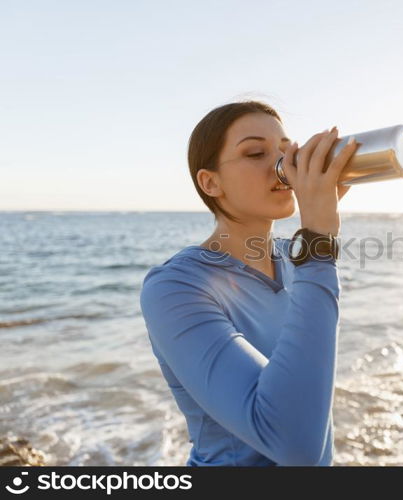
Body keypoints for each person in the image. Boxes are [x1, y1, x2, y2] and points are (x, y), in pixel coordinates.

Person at [139, 100, 358, 466]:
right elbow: (294, 445)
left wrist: (314, 248)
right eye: (255, 152)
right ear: (211, 182)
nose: (282, 166)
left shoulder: (299, 260)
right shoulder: (175, 286)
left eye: (287, 151)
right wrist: (319, 240)